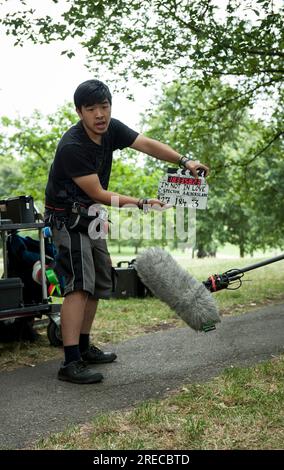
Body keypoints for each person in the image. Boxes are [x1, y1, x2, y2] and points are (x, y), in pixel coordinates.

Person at [45, 79, 209, 384]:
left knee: (97, 282)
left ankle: (83, 347)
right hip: (66, 219)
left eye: (104, 106)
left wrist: (185, 161)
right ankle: (69, 362)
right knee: (78, 286)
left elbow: (145, 143)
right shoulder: (72, 146)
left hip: (90, 216)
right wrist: (142, 203)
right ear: (79, 111)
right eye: (91, 108)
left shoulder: (111, 129)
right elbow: (97, 192)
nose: (99, 114)